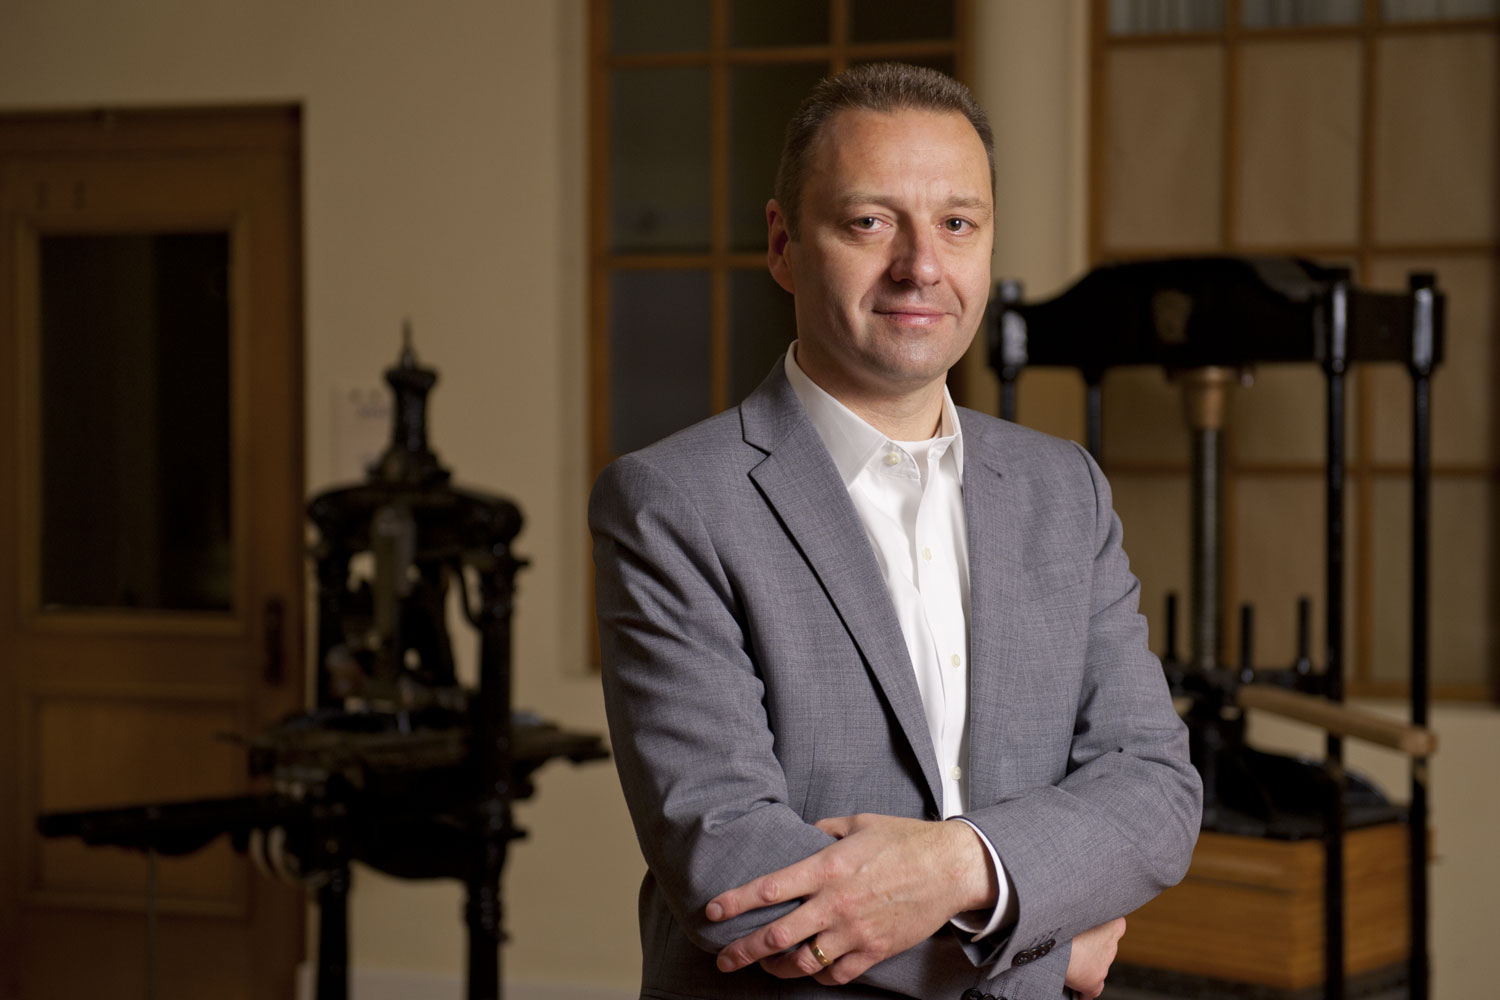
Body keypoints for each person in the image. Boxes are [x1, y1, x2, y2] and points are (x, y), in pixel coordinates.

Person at [590, 63, 1201, 1000]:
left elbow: (1154, 792)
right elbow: (734, 879)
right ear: (785, 243)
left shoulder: (1060, 489)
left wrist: (962, 869)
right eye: (871, 221)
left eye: (958, 223)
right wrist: (1039, 947)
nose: (922, 265)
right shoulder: (673, 503)